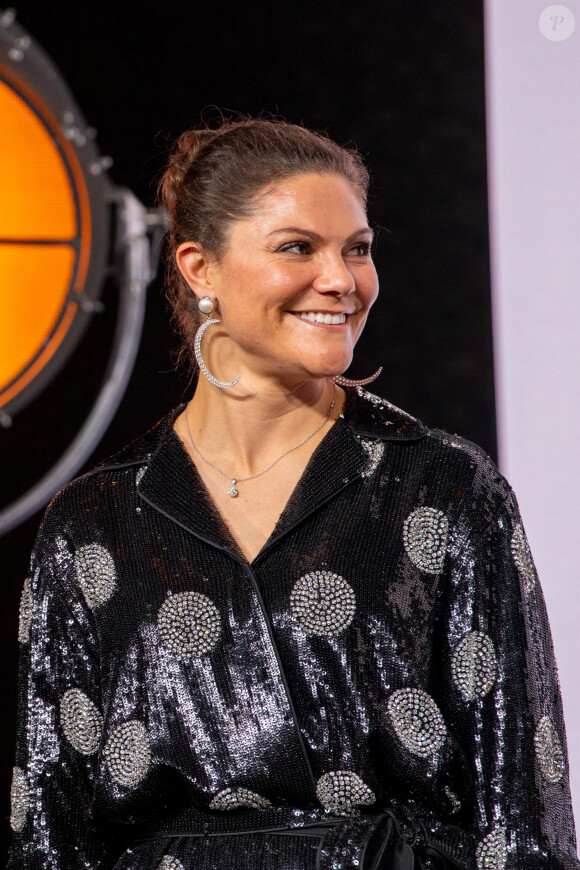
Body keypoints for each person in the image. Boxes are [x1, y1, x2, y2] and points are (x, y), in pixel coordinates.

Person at [8, 118, 579, 870]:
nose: (342, 279)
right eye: (297, 247)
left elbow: (523, 810)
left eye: (358, 249)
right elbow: (49, 833)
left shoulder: (445, 489)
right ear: (199, 267)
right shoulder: (96, 521)